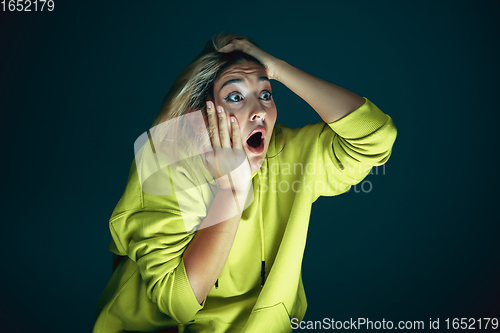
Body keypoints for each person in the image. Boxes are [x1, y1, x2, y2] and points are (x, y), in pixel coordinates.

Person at [93, 32, 397, 333]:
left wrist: (277, 69)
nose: (260, 112)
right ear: (201, 114)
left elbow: (376, 137)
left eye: (266, 94)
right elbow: (177, 302)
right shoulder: (165, 157)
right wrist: (232, 191)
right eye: (235, 97)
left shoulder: (290, 152)